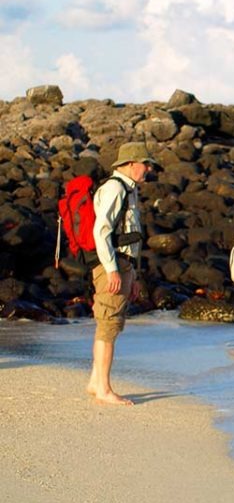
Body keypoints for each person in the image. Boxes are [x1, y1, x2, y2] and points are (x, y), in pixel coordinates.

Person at [85, 141, 156, 406]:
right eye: (145, 163)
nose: (148, 168)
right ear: (130, 164)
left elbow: (130, 236)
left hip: (124, 264)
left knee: (111, 324)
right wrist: (113, 270)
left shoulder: (129, 189)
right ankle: (103, 388)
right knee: (108, 323)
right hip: (112, 264)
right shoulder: (115, 188)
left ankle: (96, 381)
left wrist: (133, 275)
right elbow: (101, 231)